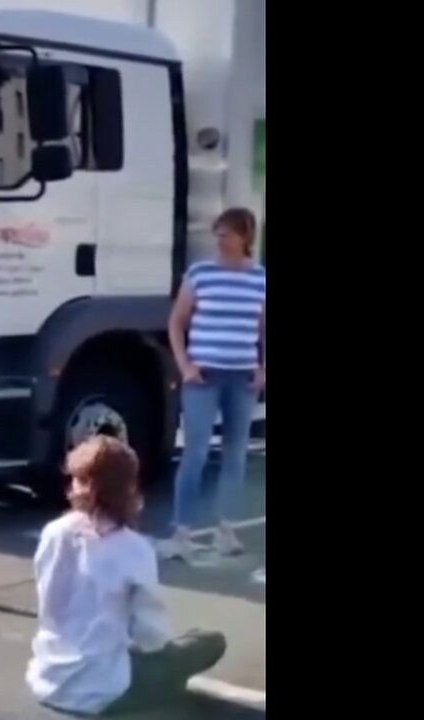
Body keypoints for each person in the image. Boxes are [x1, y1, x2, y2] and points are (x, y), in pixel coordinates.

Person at [26, 436, 226, 716]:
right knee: (208, 641)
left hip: (49, 676)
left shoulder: (53, 533)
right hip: (104, 687)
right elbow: (150, 634)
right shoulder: (134, 549)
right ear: (127, 489)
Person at [162, 208, 266, 559]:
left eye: (228, 234)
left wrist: (262, 369)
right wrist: (185, 365)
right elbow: (177, 322)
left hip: (242, 376)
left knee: (235, 454)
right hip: (203, 375)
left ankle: (226, 530)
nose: (221, 240)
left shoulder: (259, 279)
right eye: (218, 233)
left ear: (245, 238)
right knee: (196, 452)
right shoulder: (200, 274)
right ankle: (182, 531)